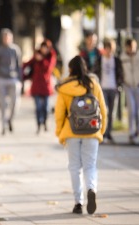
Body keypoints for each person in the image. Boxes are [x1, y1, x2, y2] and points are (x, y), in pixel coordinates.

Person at [55, 56, 107, 215]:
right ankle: (91, 188)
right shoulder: (94, 85)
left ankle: (78, 203)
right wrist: (101, 131)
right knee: (90, 166)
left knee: (74, 167)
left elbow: (59, 114)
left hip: (72, 132)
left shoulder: (65, 88)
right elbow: (103, 110)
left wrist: (60, 133)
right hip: (92, 131)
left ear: (70, 70)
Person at [0, 28, 22, 135]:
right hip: (1, 79)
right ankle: (3, 126)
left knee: (15, 103)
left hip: (13, 79)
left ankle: (10, 119)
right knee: (2, 104)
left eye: (9, 37)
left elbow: (19, 66)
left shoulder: (15, 49)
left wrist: (21, 80)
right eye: (5, 37)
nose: (7, 39)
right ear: (3, 39)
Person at [93, 39, 124, 144]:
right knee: (103, 111)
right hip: (102, 89)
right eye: (108, 49)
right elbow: (95, 72)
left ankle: (109, 133)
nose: (109, 52)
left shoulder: (116, 60)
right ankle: (103, 132)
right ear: (104, 49)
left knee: (112, 112)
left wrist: (119, 85)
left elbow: (120, 73)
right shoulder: (99, 60)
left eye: (111, 50)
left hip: (114, 88)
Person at [23, 40, 57, 133]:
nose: (44, 49)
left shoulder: (51, 56)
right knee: (38, 107)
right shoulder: (36, 56)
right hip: (36, 85)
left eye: (46, 48)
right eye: (43, 47)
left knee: (45, 107)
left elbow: (49, 68)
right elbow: (26, 64)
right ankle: (38, 125)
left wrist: (41, 60)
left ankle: (45, 122)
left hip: (46, 85)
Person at [120, 38, 139, 145]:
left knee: (138, 111)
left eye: (134, 46)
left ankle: (137, 131)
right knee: (131, 110)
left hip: (138, 85)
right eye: (130, 47)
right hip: (128, 86)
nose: (132, 49)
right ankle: (131, 133)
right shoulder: (122, 58)